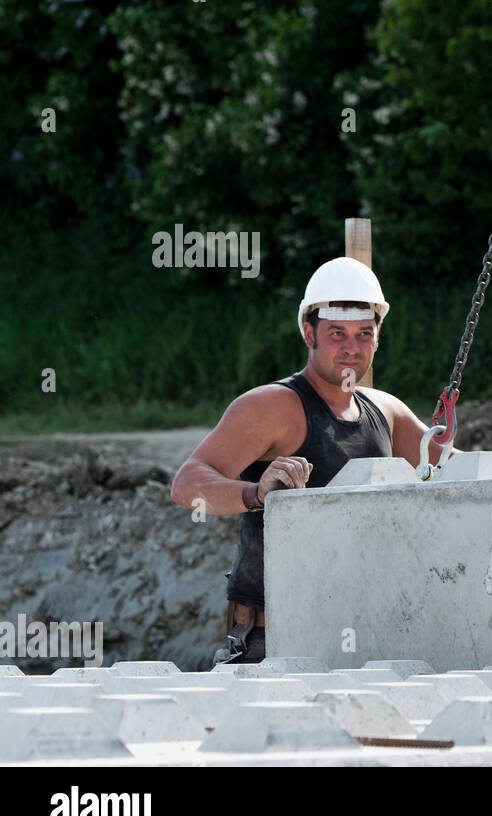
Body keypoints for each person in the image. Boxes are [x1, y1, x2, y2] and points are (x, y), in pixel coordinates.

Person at [170, 257, 452, 665]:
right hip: (278, 637)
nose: (352, 348)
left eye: (364, 334)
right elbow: (188, 484)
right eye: (337, 333)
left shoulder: (385, 412)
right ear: (309, 332)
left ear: (378, 337)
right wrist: (257, 492)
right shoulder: (273, 406)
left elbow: (462, 472)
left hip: (370, 628)